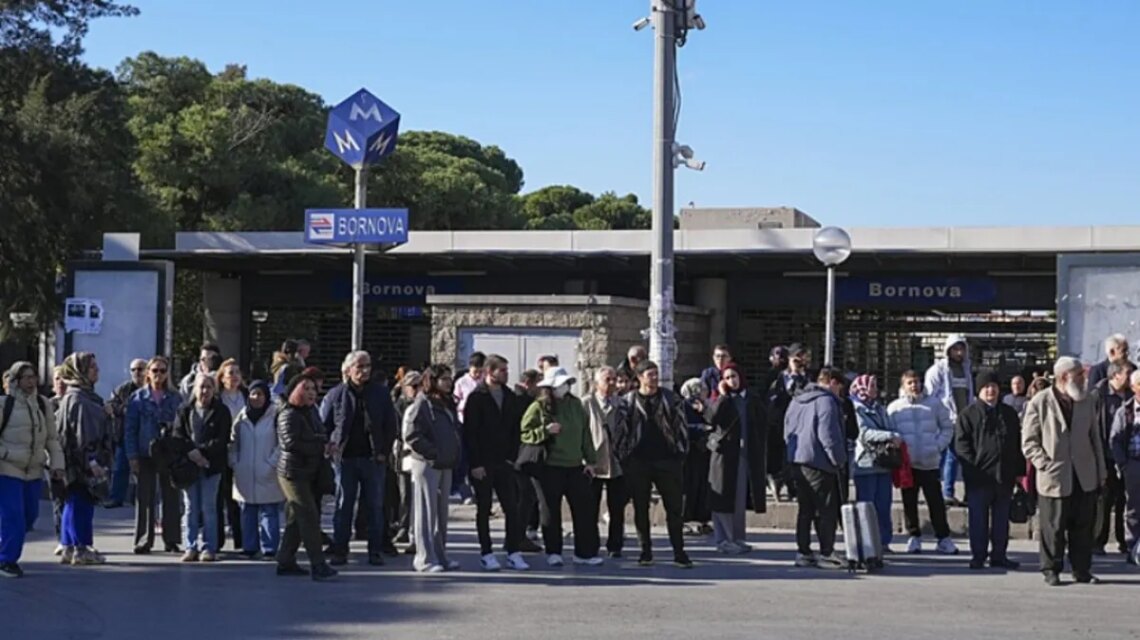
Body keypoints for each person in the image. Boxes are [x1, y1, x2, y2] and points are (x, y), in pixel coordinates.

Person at [1022, 356, 1106, 586]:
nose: (1084, 378)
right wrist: (1044, 464)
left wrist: (1100, 471)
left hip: (1084, 474)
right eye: (1079, 374)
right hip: (1055, 474)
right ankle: (1051, 569)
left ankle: (1082, 570)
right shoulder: (1040, 401)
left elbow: (1094, 438)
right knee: (1053, 527)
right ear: (1063, 377)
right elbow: (1029, 441)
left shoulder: (1086, 400)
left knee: (1083, 526)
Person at [319, 350, 397, 566]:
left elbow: (391, 425)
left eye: (367, 366)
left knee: (375, 505)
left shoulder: (380, 393)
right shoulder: (337, 394)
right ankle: (340, 549)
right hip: (345, 459)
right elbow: (324, 424)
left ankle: (375, 550)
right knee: (344, 505)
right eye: (359, 367)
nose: (364, 371)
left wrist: (384, 450)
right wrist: (330, 445)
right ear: (348, 370)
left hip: (373, 459)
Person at [613, 360, 692, 568]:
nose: (654, 379)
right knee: (641, 508)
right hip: (638, 462)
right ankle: (645, 551)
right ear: (639, 378)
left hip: (667, 461)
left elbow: (681, 427)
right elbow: (620, 432)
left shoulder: (671, 399)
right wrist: (625, 457)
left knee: (674, 508)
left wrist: (680, 454)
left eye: (656, 374)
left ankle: (679, 552)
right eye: (650, 375)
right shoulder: (627, 402)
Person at [520, 366, 601, 567]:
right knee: (550, 511)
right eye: (560, 384)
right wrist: (545, 431)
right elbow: (525, 433)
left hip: (575, 467)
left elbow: (585, 434)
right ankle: (553, 551)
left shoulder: (576, 405)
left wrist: (590, 461)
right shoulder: (538, 407)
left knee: (584, 510)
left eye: (566, 384)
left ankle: (584, 552)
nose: (564, 387)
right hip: (549, 467)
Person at [462, 355, 529, 571]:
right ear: (490, 372)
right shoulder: (477, 397)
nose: (506, 373)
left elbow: (515, 429)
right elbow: (470, 433)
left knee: (512, 507)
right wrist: (475, 463)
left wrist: (512, 457)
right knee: (484, 508)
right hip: (483, 462)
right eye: (502, 370)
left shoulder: (510, 396)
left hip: (504, 462)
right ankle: (487, 552)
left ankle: (513, 551)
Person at [955, 369, 1025, 570]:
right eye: (986, 387)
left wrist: (1019, 472)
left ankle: (999, 555)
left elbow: (1016, 443)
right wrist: (972, 468)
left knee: (1001, 520)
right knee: (978, 520)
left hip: (1004, 476)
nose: (990, 391)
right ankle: (978, 556)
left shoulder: (1008, 413)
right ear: (978, 391)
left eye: (993, 386)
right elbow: (961, 445)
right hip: (979, 478)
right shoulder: (968, 415)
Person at [0, 362, 65, 577]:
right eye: (26, 377)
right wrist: (8, 455)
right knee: (14, 517)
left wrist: (57, 465)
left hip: (34, 471)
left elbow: (52, 439)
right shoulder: (4, 405)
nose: (31, 382)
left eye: (33, 377)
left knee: (30, 515)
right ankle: (7, 560)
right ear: (16, 381)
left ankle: (6, 544)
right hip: (8, 470)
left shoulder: (43, 404)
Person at [887, 370, 958, 555]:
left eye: (917, 382)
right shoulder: (894, 408)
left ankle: (943, 538)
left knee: (936, 502)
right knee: (909, 502)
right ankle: (914, 537)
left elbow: (947, 427)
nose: (914, 386)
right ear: (903, 386)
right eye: (910, 382)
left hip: (930, 462)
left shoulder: (935, 405)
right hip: (907, 465)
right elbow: (889, 432)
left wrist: (938, 446)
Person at [784, 367, 847, 568]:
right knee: (825, 510)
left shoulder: (796, 400)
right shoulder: (826, 401)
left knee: (805, 510)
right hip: (820, 462)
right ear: (833, 383)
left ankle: (803, 552)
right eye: (840, 388)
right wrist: (838, 460)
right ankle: (826, 552)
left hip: (798, 461)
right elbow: (828, 435)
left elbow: (787, 430)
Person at [275, 374, 337, 581]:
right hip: (292, 473)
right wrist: (320, 444)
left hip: (310, 471)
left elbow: (320, 434)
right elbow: (290, 444)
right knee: (308, 515)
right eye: (306, 388)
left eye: (313, 388)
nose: (312, 392)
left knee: (296, 518)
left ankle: (285, 560)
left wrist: (324, 443)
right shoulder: (288, 414)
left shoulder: (312, 412)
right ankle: (318, 564)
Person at [55, 352, 114, 566]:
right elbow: (83, 434)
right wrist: (93, 462)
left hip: (73, 461)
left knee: (72, 502)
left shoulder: (78, 396)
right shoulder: (79, 399)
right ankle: (81, 548)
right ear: (80, 371)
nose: (96, 371)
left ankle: (69, 547)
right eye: (92, 368)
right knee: (81, 503)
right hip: (82, 462)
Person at [405, 364, 462, 572]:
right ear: (433, 381)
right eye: (444, 378)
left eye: (450, 378)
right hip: (427, 464)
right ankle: (424, 559)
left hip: (445, 464)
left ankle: (440, 556)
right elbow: (412, 435)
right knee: (425, 513)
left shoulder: (446, 403)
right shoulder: (423, 403)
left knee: (440, 514)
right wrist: (432, 453)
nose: (448, 382)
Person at [125, 355, 184, 554]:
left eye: (162, 371)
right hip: (145, 452)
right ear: (148, 374)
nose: (158, 374)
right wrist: (132, 455)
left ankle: (172, 539)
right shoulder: (138, 398)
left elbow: (182, 426)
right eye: (155, 371)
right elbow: (130, 429)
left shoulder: (175, 398)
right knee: (145, 498)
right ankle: (143, 540)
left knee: (171, 497)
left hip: (168, 453)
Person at [707, 364, 767, 555]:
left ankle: (737, 537)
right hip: (724, 456)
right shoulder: (721, 399)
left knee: (739, 500)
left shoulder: (750, 398)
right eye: (727, 377)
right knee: (722, 496)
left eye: (734, 376)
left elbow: (762, 421)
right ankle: (723, 539)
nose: (731, 380)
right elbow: (712, 418)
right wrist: (722, 396)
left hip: (744, 455)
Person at [173, 374, 231, 562]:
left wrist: (203, 454)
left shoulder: (221, 411)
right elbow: (178, 435)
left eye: (208, 387)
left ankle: (209, 547)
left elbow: (222, 439)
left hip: (211, 466)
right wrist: (191, 453)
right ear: (194, 389)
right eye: (201, 387)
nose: (204, 391)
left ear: (214, 390)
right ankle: (190, 546)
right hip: (188, 466)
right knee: (190, 507)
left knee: (209, 507)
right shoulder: (184, 410)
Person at [229, 380, 283, 559]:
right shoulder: (242, 416)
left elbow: (282, 444)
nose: (256, 398)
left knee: (269, 511)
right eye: (253, 394)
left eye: (260, 394)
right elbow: (233, 441)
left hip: (267, 471)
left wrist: (272, 463)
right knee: (247, 511)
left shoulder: (275, 415)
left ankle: (270, 547)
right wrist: (235, 462)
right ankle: (250, 547)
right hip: (244, 471)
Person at [850, 374, 901, 554]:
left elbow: (888, 426)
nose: (875, 389)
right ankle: (867, 543)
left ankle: (884, 541)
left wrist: (893, 435)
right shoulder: (856, 409)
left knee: (883, 504)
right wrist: (889, 436)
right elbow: (863, 433)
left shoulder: (879, 408)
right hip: (865, 463)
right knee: (867, 506)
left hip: (883, 462)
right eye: (872, 386)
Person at [924, 334, 975, 507]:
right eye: (955, 349)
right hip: (945, 420)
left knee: (961, 457)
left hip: (964, 419)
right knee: (949, 456)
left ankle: (960, 492)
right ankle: (946, 492)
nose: (959, 353)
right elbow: (930, 395)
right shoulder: (938, 370)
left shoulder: (966, 369)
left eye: (961, 349)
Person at [583, 366, 628, 559]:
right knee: (590, 507)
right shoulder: (586, 403)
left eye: (614, 380)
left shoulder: (622, 403)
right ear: (596, 383)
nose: (611, 384)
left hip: (616, 462)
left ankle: (615, 545)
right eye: (607, 380)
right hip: (593, 461)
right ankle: (591, 544)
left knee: (617, 507)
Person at [1092, 361, 1132, 556]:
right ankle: (1099, 540)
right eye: (1127, 374)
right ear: (1115, 376)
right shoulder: (1099, 395)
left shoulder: (1130, 395)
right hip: (1104, 455)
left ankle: (1124, 541)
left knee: (1124, 500)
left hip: (1126, 455)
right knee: (1105, 500)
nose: (1130, 377)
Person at [767, 343, 809, 502]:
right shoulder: (778, 377)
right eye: (796, 359)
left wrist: (801, 376)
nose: (800, 363)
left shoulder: (807, 378)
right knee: (781, 457)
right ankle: (779, 482)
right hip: (780, 423)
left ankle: (793, 487)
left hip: (800, 423)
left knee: (795, 457)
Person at [107, 359, 147, 508]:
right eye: (133, 370)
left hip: (144, 436)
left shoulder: (151, 389)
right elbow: (111, 405)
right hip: (124, 435)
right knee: (120, 468)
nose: (137, 372)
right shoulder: (123, 389)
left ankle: (139, 498)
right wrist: (123, 410)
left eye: (140, 369)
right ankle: (116, 498)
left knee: (143, 471)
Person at [215, 359, 246, 551]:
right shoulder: (218, 398)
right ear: (222, 378)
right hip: (222, 450)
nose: (234, 377)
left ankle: (241, 539)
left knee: (238, 498)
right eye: (229, 373)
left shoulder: (246, 395)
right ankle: (217, 539)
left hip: (243, 449)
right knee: (221, 496)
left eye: (236, 372)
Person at [1109, 370, 1140, 561]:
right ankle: (1133, 547)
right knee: (1134, 508)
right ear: (1134, 387)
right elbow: (1115, 440)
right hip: (1134, 463)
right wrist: (1123, 465)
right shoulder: (1125, 411)